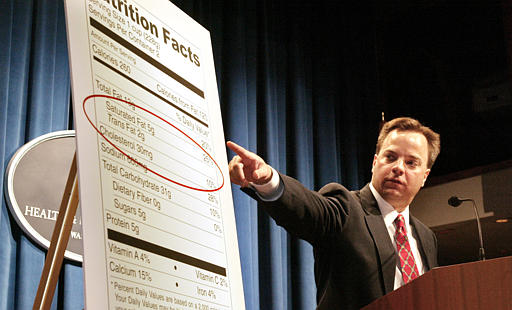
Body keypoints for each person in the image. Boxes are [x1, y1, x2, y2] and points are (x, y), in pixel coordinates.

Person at [227, 117, 441, 309]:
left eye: (411, 163)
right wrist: (267, 180)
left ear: (424, 176)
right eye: (390, 157)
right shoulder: (345, 208)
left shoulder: (426, 237)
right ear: (375, 163)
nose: (399, 167)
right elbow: (308, 208)